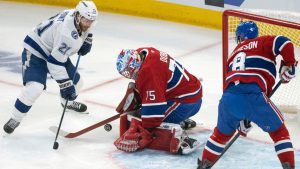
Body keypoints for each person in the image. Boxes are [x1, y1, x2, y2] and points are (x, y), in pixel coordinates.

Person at [198, 21, 297, 169]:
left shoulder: (233, 54)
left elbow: (232, 85)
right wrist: (289, 64)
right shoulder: (262, 42)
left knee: (220, 136)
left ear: (241, 37)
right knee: (279, 133)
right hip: (253, 95)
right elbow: (284, 42)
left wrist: (242, 118)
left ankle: (203, 166)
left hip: (228, 99)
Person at [3, 0, 98, 134]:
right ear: (77, 16)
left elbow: (85, 29)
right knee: (35, 88)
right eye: (86, 20)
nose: (88, 24)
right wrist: (65, 85)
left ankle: (67, 104)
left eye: (91, 20)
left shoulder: (77, 17)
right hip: (36, 51)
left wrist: (87, 39)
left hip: (55, 50)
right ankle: (15, 118)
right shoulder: (67, 33)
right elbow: (54, 63)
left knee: (77, 83)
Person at [113, 47, 203, 154]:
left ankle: (182, 141)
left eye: (129, 71)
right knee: (144, 115)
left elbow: (154, 112)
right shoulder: (144, 52)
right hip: (190, 93)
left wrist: (144, 131)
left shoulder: (148, 72)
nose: (130, 75)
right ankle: (180, 120)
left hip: (187, 101)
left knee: (150, 122)